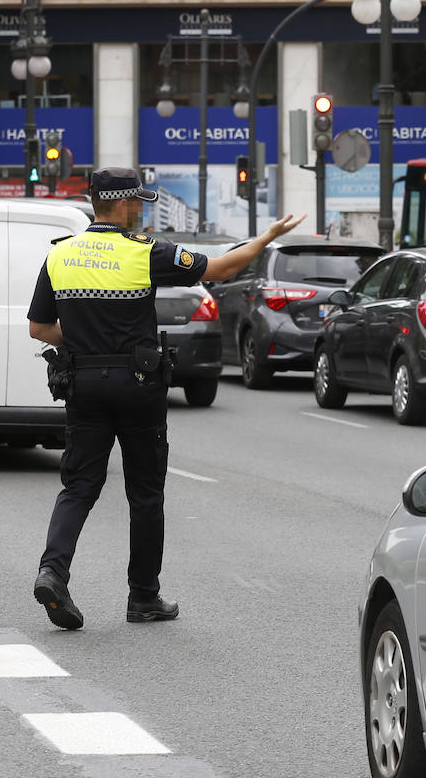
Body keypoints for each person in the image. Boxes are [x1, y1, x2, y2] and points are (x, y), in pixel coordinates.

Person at [27, 167, 305, 630]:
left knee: (78, 486)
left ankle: (53, 571)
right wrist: (266, 237)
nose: (141, 209)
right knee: (145, 492)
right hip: (137, 385)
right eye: (138, 202)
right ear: (124, 204)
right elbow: (221, 268)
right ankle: (143, 598)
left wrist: (81, 340)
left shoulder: (61, 256)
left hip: (85, 383)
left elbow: (39, 328)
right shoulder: (145, 252)